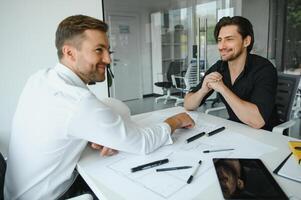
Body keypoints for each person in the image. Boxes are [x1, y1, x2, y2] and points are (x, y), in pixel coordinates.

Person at [4, 15, 195, 200]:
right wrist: (175, 120)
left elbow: (57, 125)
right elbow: (143, 143)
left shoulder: (40, 78)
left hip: (15, 190)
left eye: (108, 51)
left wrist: (92, 135)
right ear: (69, 52)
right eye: (98, 50)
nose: (108, 59)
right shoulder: (78, 103)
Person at [184, 16, 278, 131]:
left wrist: (223, 88)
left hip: (266, 136)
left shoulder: (264, 69)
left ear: (246, 41)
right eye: (219, 40)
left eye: (229, 39)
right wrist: (202, 91)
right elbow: (188, 104)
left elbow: (257, 121)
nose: (221, 46)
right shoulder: (220, 67)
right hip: (236, 130)